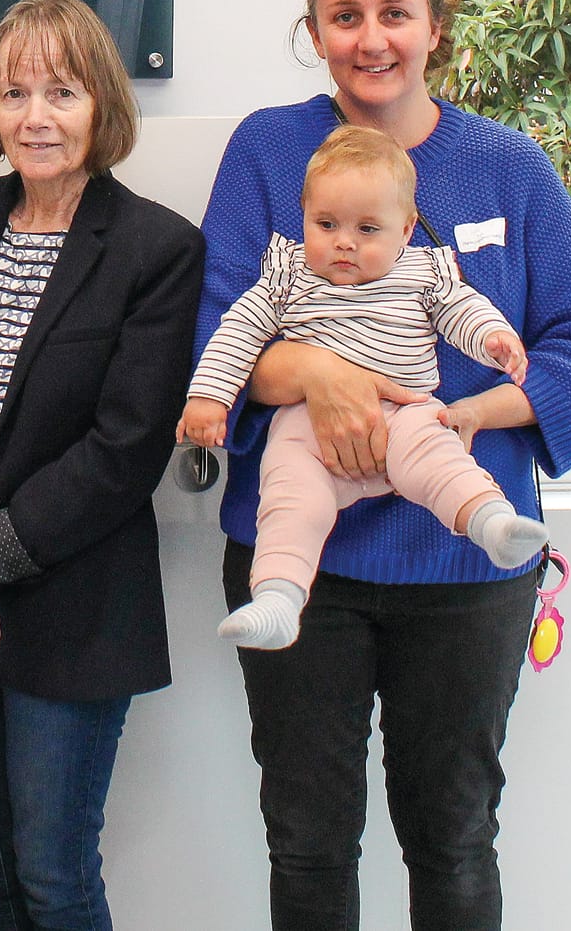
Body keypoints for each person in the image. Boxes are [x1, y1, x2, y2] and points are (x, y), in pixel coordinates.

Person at [196, 0, 571, 931]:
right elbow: (210, 327)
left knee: (451, 834)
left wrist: (465, 412)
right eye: (344, 17)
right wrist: (311, 372)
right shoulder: (265, 151)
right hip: (301, 570)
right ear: (313, 32)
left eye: (394, 13)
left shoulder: (507, 169)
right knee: (304, 840)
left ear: (436, 27)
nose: (370, 38)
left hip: (463, 574)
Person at [0, 0, 204, 931]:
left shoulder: (156, 246)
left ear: (101, 102)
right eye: (12, 92)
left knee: (53, 878)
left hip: (73, 603)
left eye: (60, 92)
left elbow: (125, 444)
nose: (34, 116)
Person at [180, 125, 544, 651]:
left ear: (406, 230)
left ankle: (492, 524)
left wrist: (494, 339)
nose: (344, 241)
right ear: (303, 215)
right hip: (308, 428)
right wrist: (209, 399)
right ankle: (279, 599)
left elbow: (463, 309)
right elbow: (233, 332)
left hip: (406, 415)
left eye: (368, 229)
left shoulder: (422, 273)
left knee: (441, 458)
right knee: (288, 498)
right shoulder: (287, 277)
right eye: (325, 224)